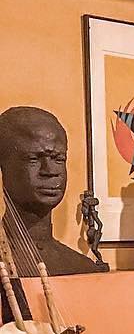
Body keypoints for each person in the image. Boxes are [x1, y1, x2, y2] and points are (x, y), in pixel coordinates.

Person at [0, 106, 101, 274]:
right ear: (4, 166)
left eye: (58, 159)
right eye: (33, 159)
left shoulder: (81, 267)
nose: (49, 171)